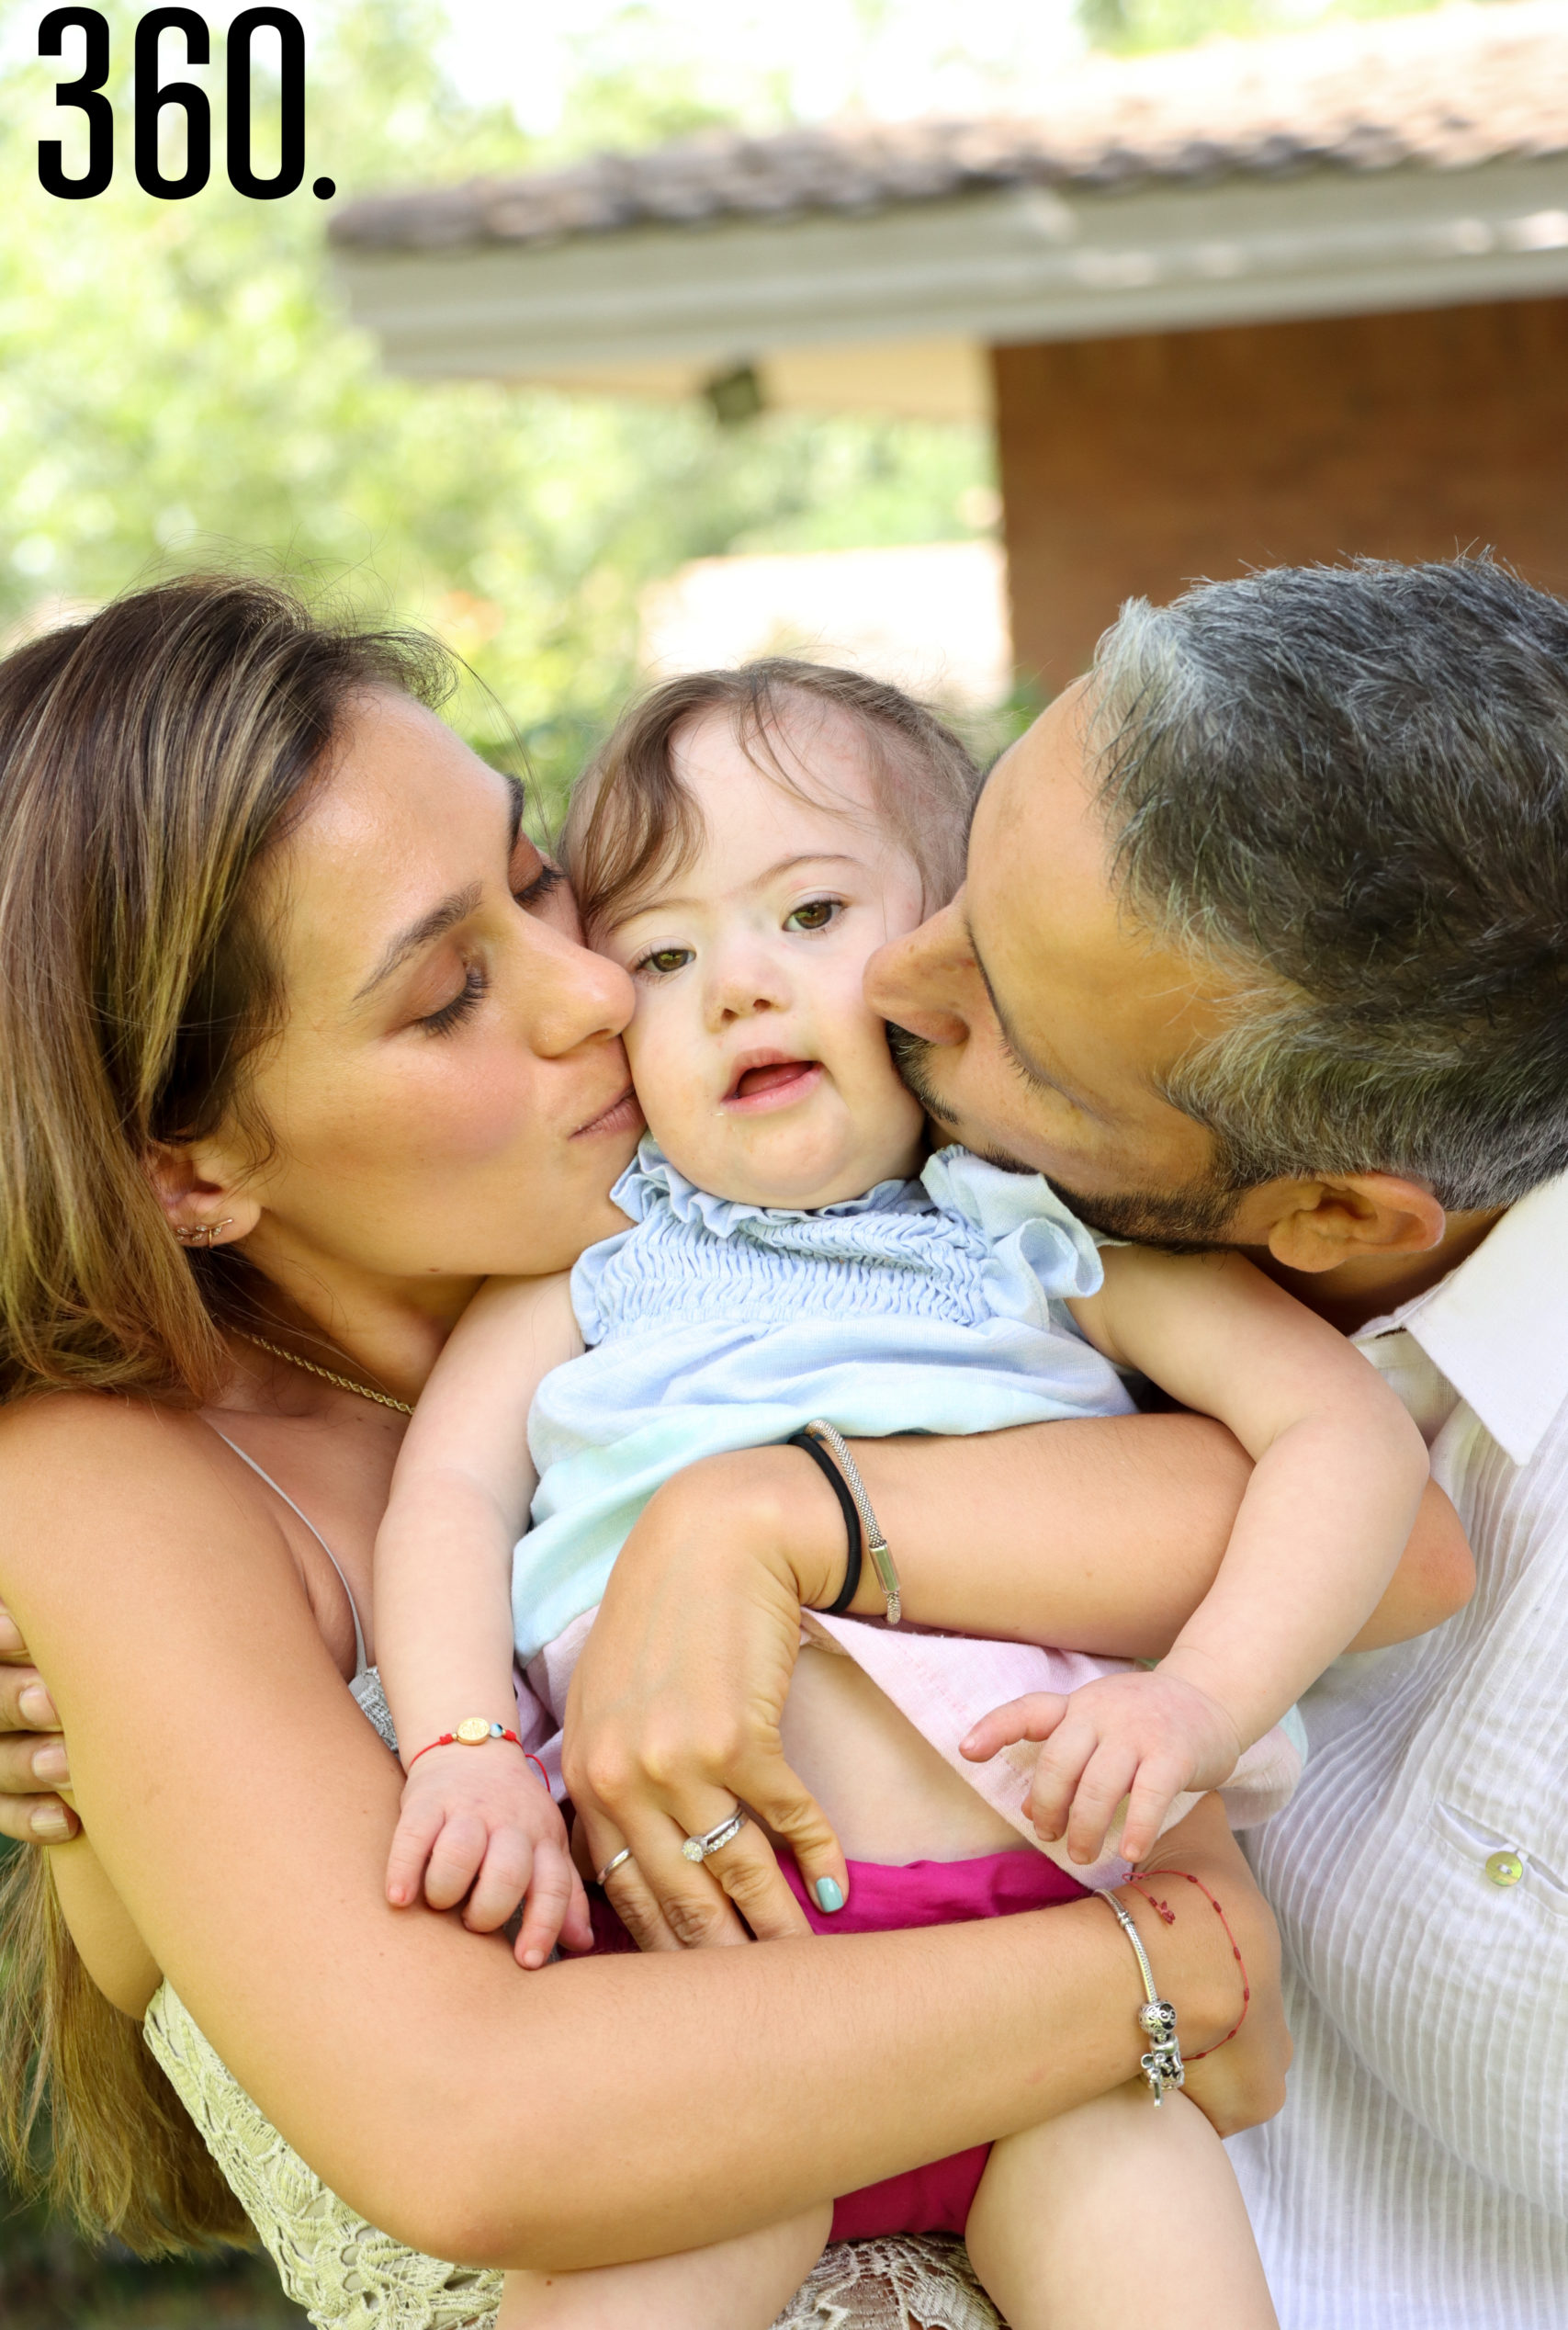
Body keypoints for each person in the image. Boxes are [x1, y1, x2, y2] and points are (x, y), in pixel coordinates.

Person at [0, 571, 1341, 2330]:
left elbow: (1379, 1530)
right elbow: (473, 2122)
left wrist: (765, 1517)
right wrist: (1163, 1968)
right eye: (446, 993)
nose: (589, 989)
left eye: (540, 880)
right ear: (187, 1170)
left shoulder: (778, 1228)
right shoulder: (125, 1485)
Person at [539, 557, 1568, 2329]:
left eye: (1000, 1006)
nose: (890, 976)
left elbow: (1387, 1524)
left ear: (1329, 1215)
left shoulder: (1101, 1276)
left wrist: (783, 1517)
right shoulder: (735, 1241)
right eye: (969, 875)